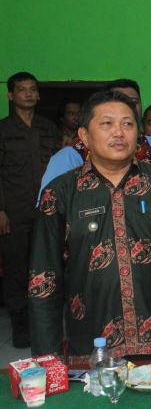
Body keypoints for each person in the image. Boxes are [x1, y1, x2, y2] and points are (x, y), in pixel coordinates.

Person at [29, 90, 151, 364]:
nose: (119, 132)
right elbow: (44, 278)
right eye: (107, 123)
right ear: (84, 135)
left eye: (127, 124)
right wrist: (47, 356)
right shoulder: (60, 193)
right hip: (92, 350)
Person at [39, 79, 151, 211]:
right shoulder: (70, 156)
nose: (126, 107)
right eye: (119, 100)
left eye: (133, 102)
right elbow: (51, 215)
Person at [0, 72, 61, 347]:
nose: (28, 94)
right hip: (13, 212)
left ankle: (46, 323)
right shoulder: (3, 130)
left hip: (47, 211)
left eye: (33, 89)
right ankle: (21, 326)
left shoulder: (48, 128)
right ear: (10, 95)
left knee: (48, 266)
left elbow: (60, 169)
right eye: (22, 89)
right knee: (16, 268)